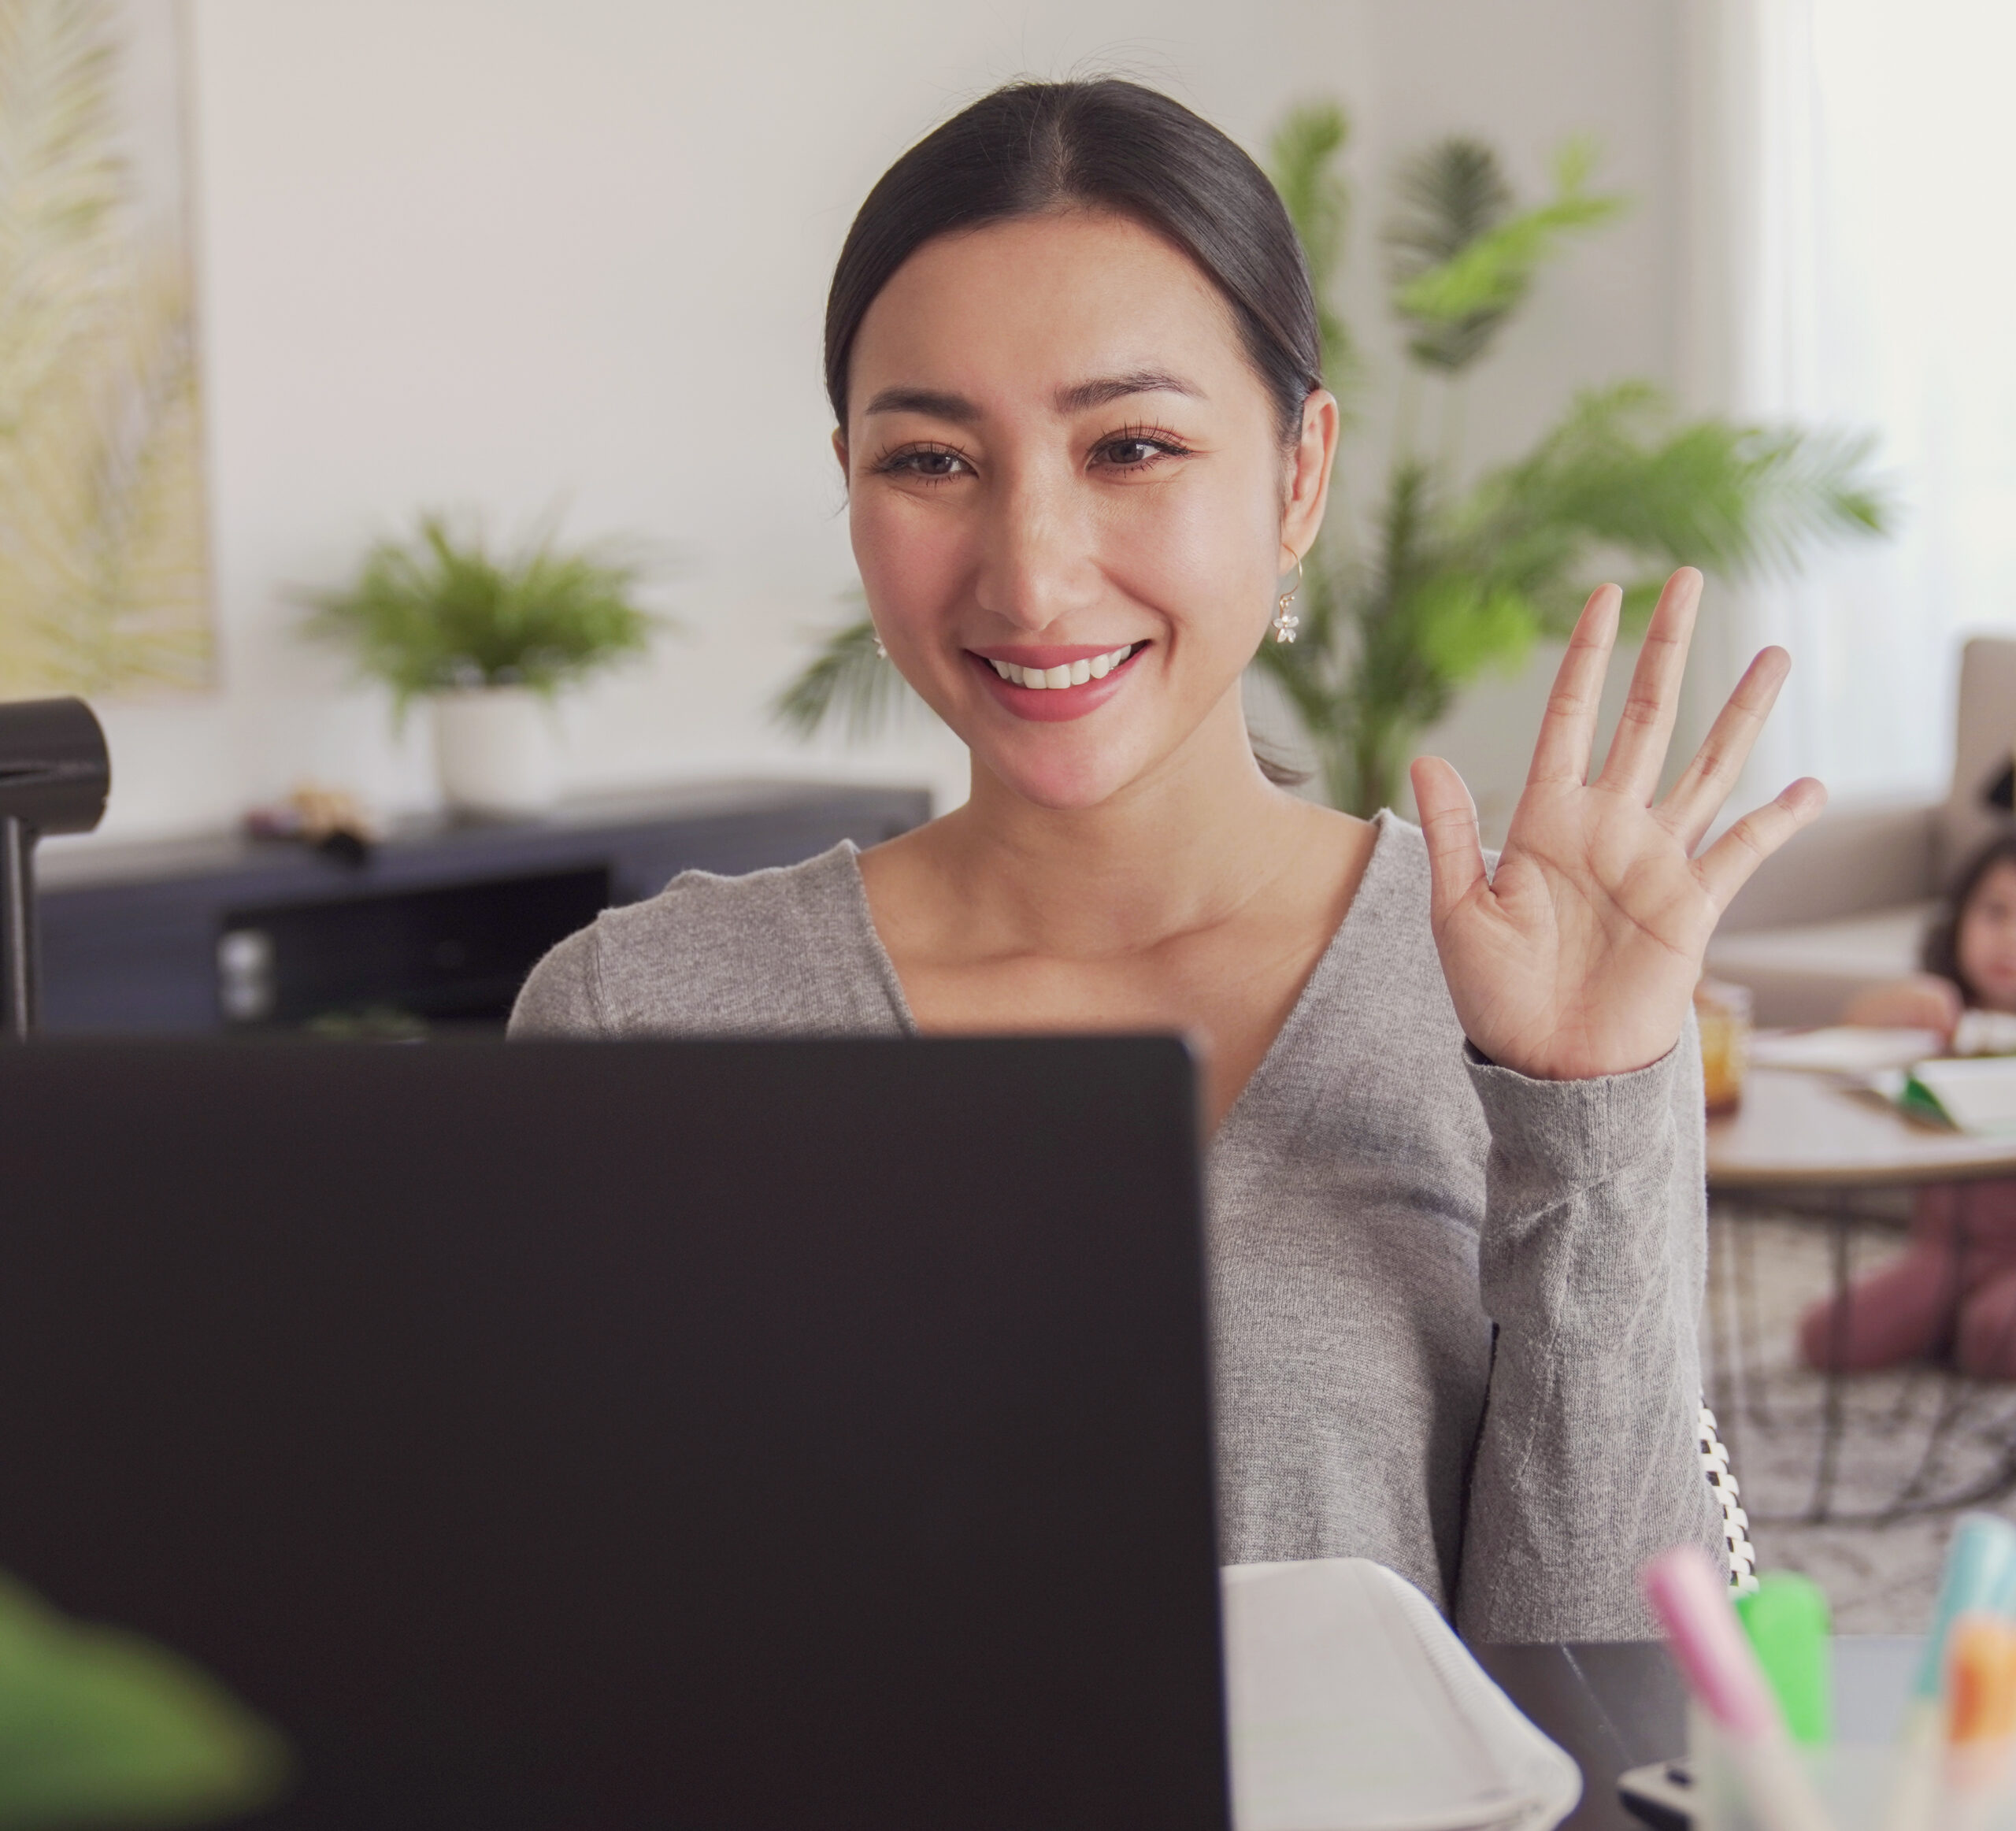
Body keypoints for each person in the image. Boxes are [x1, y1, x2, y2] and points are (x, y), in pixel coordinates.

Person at [511, 80, 1823, 1640]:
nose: (1032, 568)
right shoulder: (642, 1017)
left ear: (1295, 476)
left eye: (1129, 445)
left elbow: (1597, 1702)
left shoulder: (1508, 995)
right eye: (930, 460)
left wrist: (1584, 1110)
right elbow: (570, 1648)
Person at [1800, 832, 2016, 1377]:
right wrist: (1893, 1006)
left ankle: (1969, 1320)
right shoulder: (1934, 1016)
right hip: (1943, 1253)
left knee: (1993, 1335)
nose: (2009, 940)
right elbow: (1845, 1038)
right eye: (1995, 912)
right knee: (1827, 1338)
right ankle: (1952, 1316)